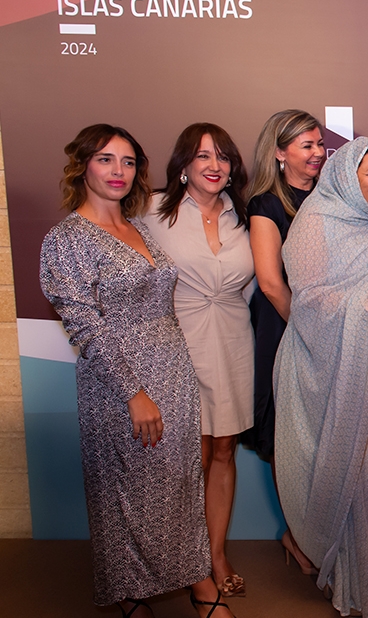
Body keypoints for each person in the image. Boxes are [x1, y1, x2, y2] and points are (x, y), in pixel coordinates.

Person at [39, 124, 234, 618]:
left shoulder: (140, 226)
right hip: (120, 383)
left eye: (128, 162)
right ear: (83, 165)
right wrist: (133, 392)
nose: (118, 171)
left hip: (174, 372)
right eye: (106, 160)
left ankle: (199, 584)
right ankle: (130, 595)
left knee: (179, 487)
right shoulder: (65, 239)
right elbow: (85, 326)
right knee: (125, 493)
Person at [273, 137, 368, 617]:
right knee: (349, 472)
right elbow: (311, 301)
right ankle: (340, 575)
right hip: (328, 368)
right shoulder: (315, 223)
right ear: (345, 176)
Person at [143, 123, 254, 599]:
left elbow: (253, 289)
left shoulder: (245, 217)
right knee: (189, 456)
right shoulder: (149, 210)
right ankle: (182, 562)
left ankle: (214, 553)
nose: (214, 165)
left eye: (223, 157)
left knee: (223, 451)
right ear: (183, 164)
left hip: (232, 339)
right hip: (176, 341)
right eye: (203, 156)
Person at [241, 109, 325, 574]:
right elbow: (272, 284)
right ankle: (295, 536)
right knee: (289, 437)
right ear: (279, 152)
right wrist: (310, 333)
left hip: (332, 332)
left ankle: (321, 531)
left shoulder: (332, 198)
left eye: (319, 144)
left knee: (325, 437)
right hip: (287, 329)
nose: (316, 154)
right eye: (305, 145)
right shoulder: (265, 206)